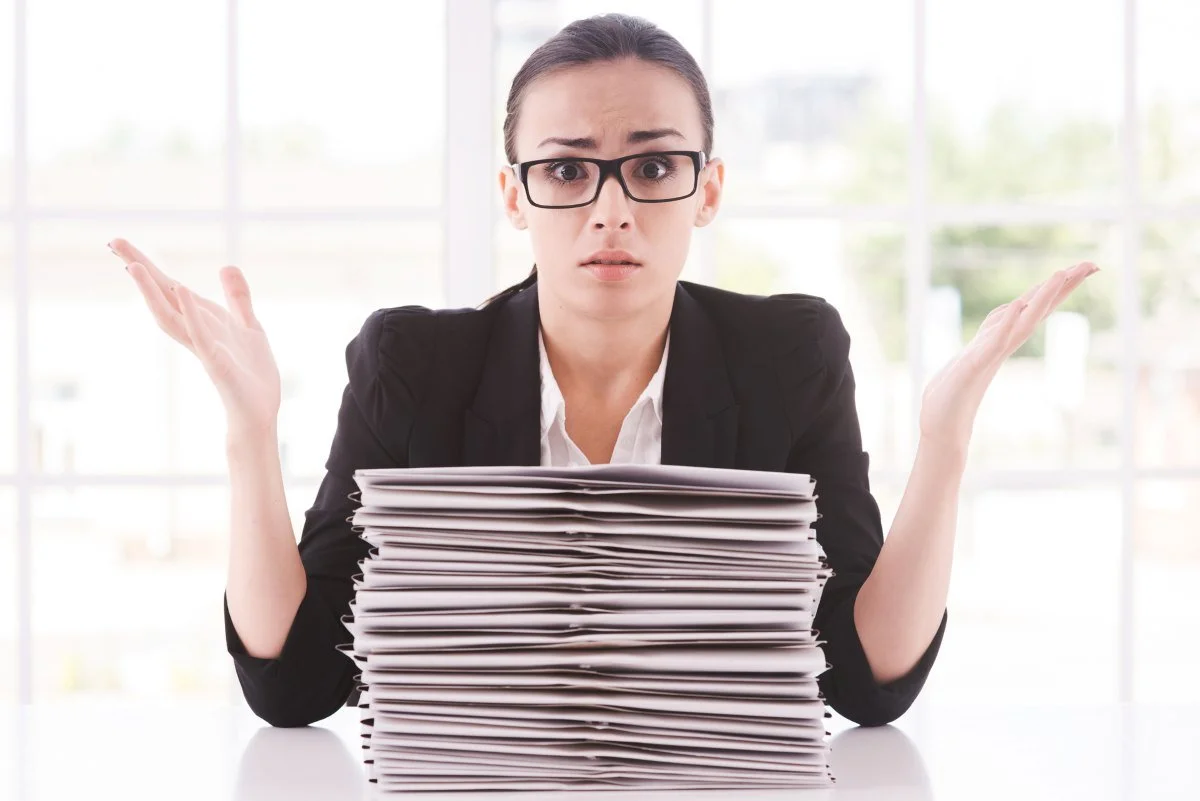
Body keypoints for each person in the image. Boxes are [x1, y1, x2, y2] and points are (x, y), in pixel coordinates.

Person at [110, 13, 1097, 729]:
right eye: (569, 168)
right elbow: (294, 686)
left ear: (707, 190)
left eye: (654, 167)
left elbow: (867, 680)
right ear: (514, 193)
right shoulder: (412, 364)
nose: (611, 210)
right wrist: (249, 432)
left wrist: (945, 442)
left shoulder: (788, 354)